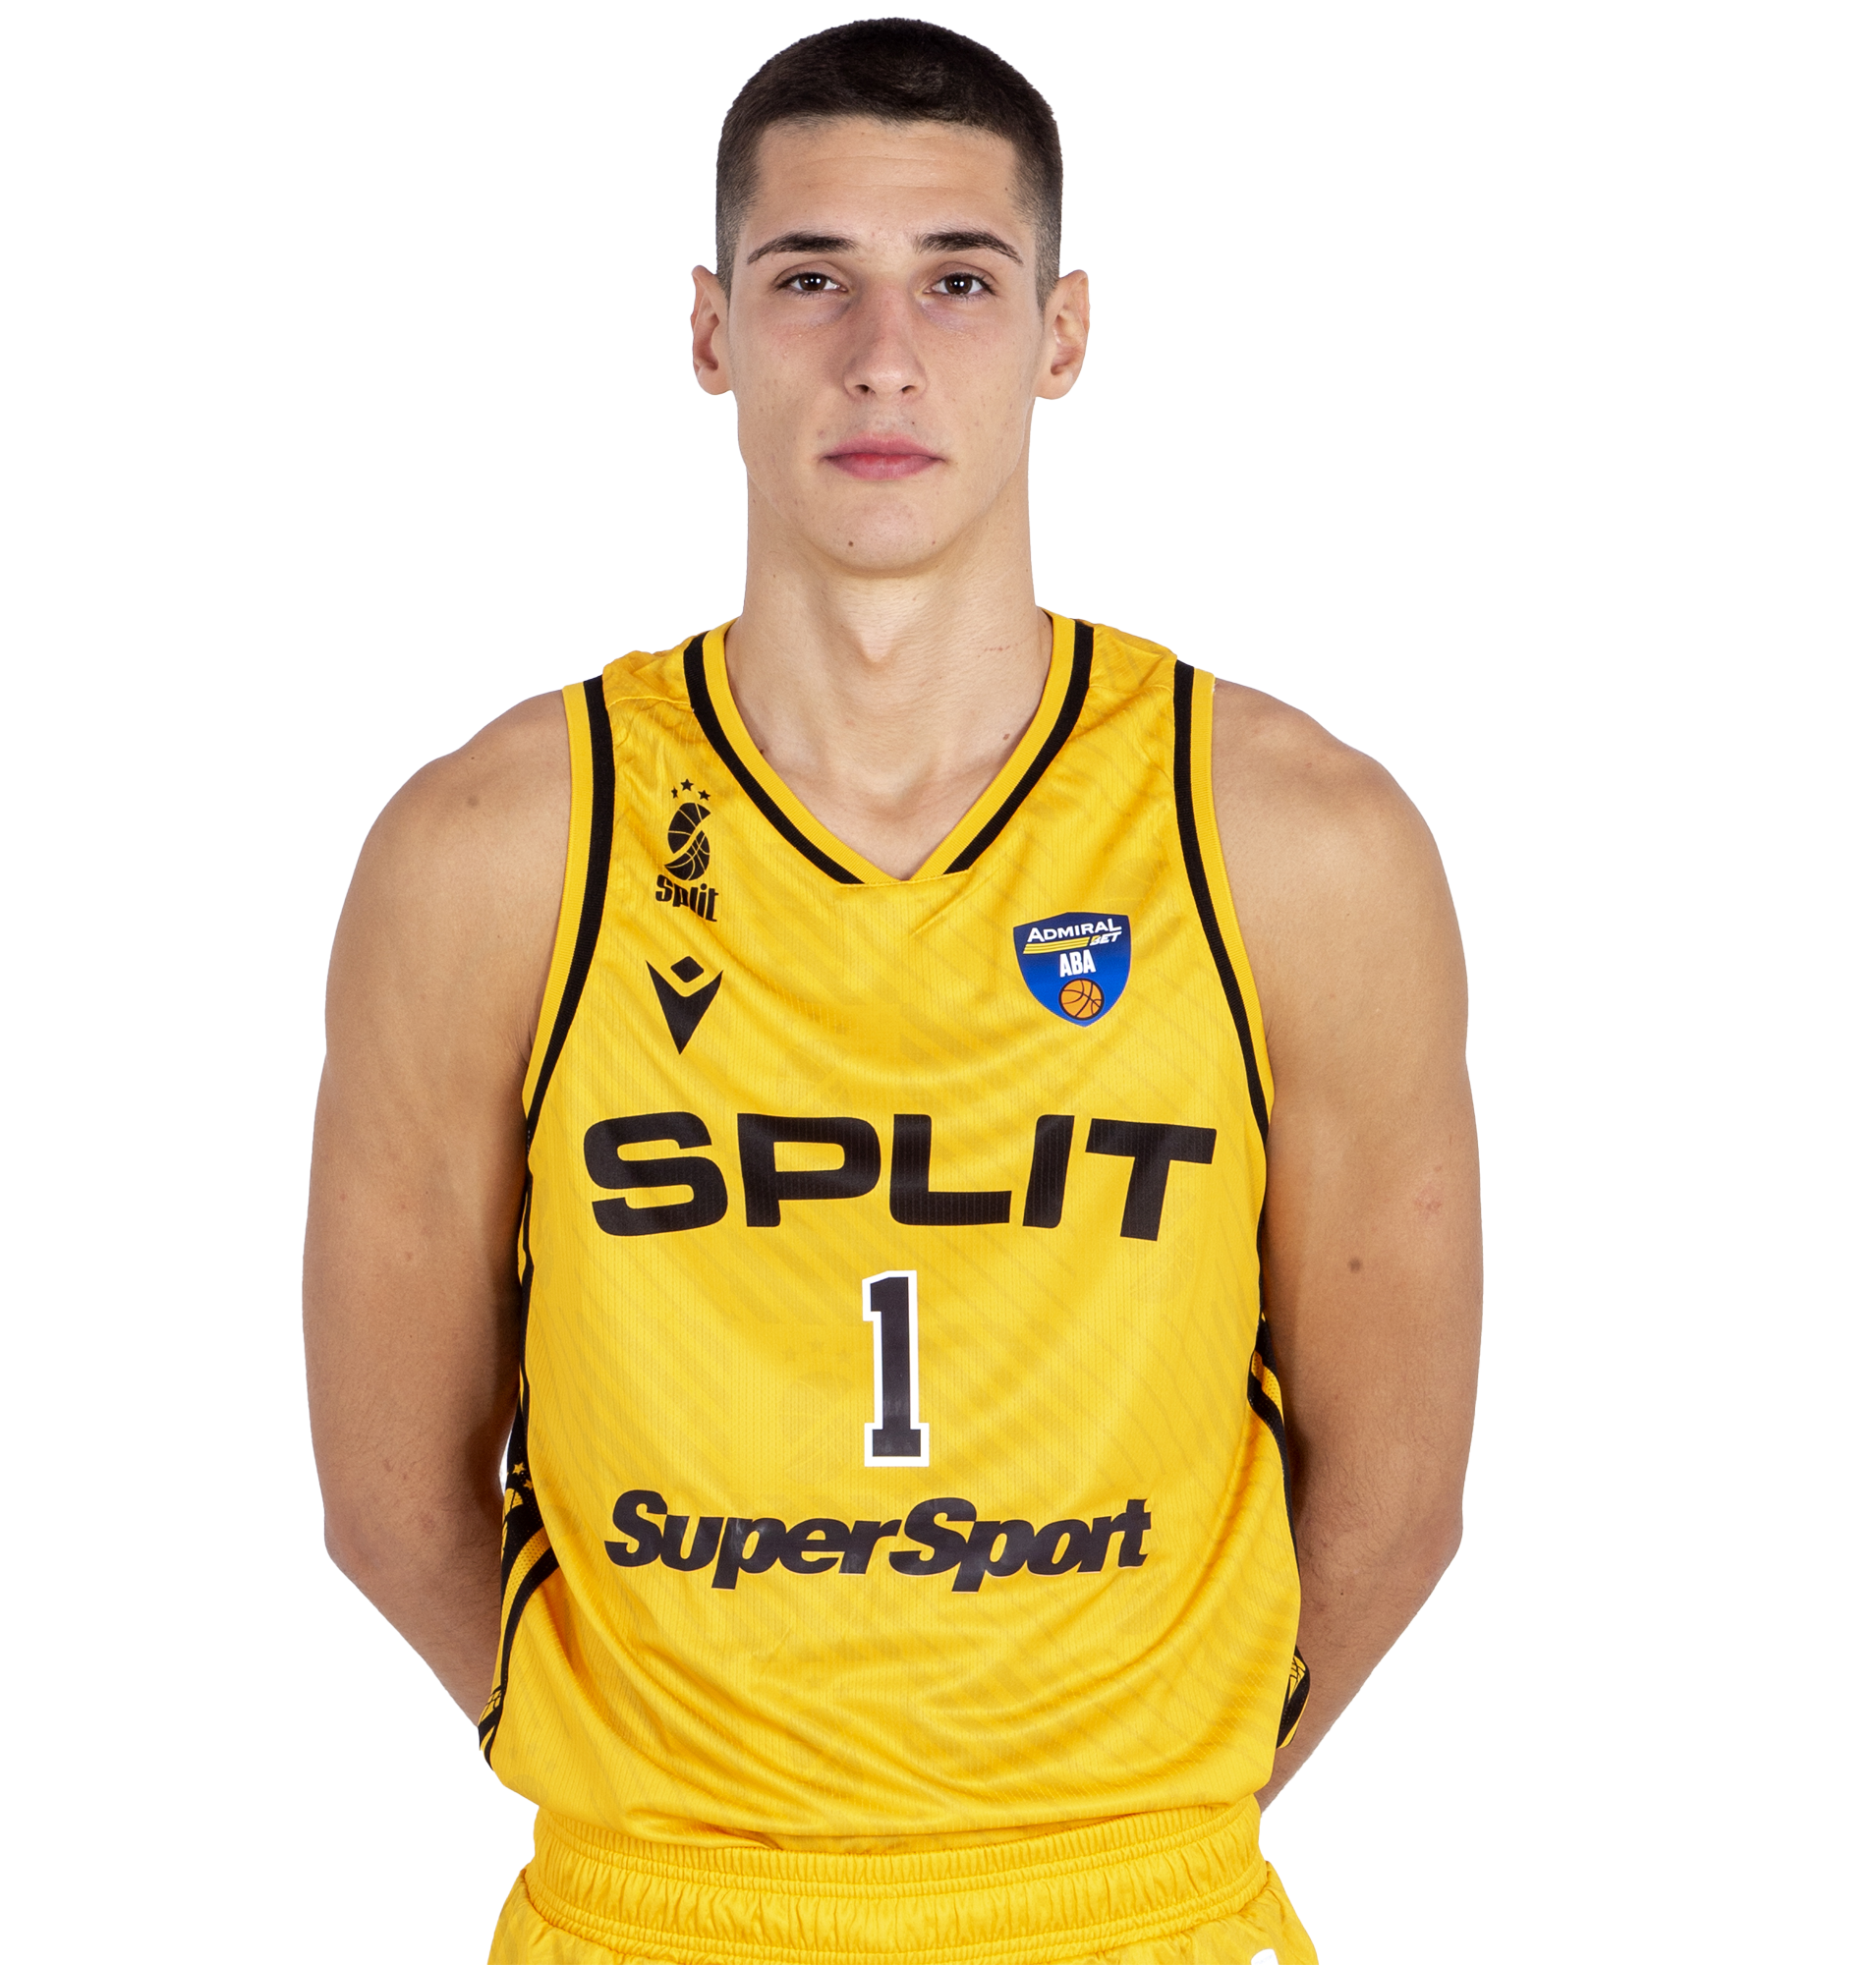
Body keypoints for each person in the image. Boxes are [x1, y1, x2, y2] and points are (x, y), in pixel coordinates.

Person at [304, 18, 1480, 1964]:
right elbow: (387, 1490)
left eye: (959, 279)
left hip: (1134, 1909)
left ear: (1062, 333)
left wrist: (1114, 1821)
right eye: (808, 279)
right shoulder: (495, 849)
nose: (882, 354)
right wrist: (673, 1797)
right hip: (661, 1912)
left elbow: (1400, 1487)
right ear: (709, 331)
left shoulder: (1298, 845)